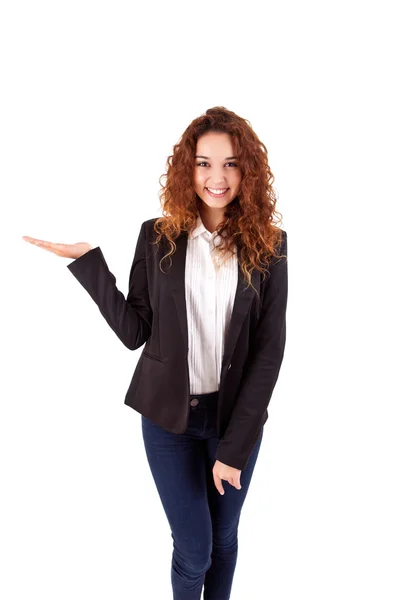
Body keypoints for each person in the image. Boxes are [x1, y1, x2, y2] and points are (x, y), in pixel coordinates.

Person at [22, 106, 288, 600]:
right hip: (168, 421)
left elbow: (269, 352)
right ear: (187, 168)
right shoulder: (157, 235)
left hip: (235, 420)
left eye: (230, 163)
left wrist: (233, 449)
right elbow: (134, 331)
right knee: (195, 550)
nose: (217, 176)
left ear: (247, 171)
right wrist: (89, 264)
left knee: (224, 541)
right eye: (204, 162)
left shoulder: (269, 246)